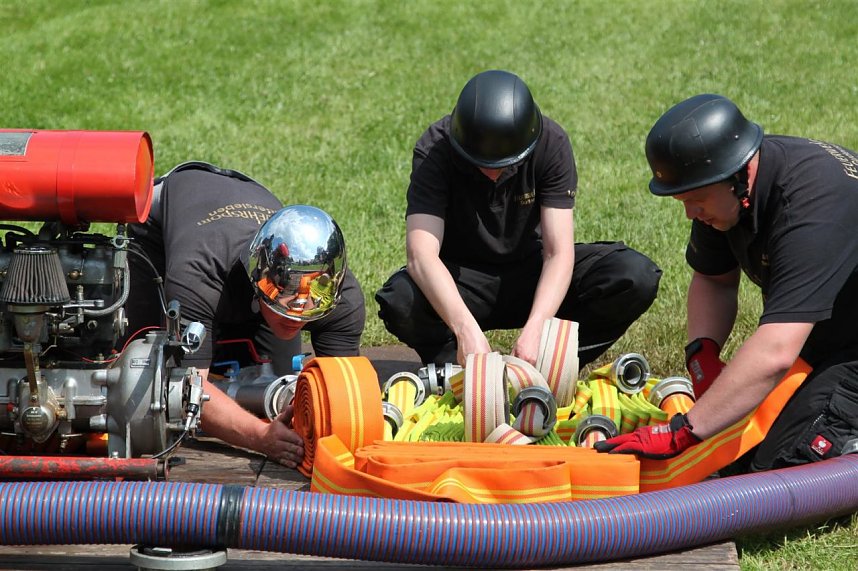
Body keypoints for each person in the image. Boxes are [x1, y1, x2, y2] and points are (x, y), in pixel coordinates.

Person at [596, 93, 858, 470]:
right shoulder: (725, 192)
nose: (689, 212)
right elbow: (713, 279)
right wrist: (701, 355)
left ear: (741, 175)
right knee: (733, 455)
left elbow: (776, 351)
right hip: (825, 335)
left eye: (696, 199)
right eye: (681, 200)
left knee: (781, 467)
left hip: (844, 346)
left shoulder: (810, 211)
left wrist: (682, 431)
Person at [376, 70, 662, 369]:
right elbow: (421, 256)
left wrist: (538, 325)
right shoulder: (435, 148)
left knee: (633, 275)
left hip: (532, 269)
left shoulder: (551, 143)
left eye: (506, 163)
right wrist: (465, 329)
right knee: (400, 299)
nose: (493, 172)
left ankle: (553, 367)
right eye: (481, 163)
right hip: (463, 279)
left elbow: (558, 252)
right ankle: (457, 370)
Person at [122, 161, 365, 467]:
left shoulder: (342, 298)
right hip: (159, 223)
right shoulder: (199, 272)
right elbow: (184, 389)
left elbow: (344, 393)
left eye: (309, 306)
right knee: (148, 385)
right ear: (257, 278)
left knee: (277, 384)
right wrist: (261, 438)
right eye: (282, 299)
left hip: (247, 194)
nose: (298, 315)